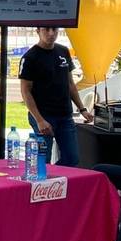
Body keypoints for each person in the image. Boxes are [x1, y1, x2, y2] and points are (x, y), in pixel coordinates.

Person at [19, 26, 94, 167]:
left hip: (65, 115)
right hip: (43, 115)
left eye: (54, 30)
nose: (51, 33)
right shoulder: (30, 57)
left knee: (72, 158)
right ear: (38, 31)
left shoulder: (63, 51)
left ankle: (56, 180)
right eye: (46, 30)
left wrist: (82, 109)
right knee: (43, 160)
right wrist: (39, 120)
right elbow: (25, 91)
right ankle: (42, 184)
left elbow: (70, 84)